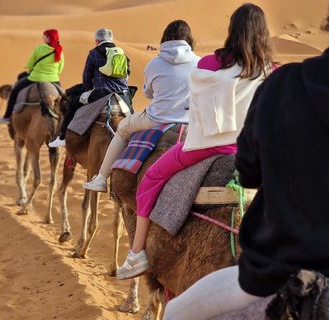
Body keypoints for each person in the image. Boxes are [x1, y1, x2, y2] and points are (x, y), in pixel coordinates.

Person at [162, 36, 329, 320]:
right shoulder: (269, 72)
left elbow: (249, 170)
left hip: (278, 268)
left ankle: (135, 245)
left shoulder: (284, 81)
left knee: (174, 313)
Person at [116, 3, 278, 281]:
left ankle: (137, 254)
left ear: (232, 31)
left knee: (150, 178)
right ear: (264, 34)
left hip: (207, 146)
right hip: (255, 151)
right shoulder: (272, 72)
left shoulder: (209, 64)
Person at [83, 20, 200, 193]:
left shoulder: (155, 63)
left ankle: (101, 178)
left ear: (165, 39)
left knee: (122, 128)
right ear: (189, 39)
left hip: (156, 119)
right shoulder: (199, 62)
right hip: (190, 122)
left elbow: (148, 93)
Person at [48, 28, 132, 148]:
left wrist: (87, 90)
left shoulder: (94, 53)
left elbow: (87, 77)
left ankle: (63, 138)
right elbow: (127, 75)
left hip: (101, 94)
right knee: (131, 116)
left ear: (97, 41)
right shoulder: (122, 54)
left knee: (72, 105)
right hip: (123, 95)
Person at [0, 29, 64, 124]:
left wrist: (32, 69)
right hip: (53, 79)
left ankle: (7, 117)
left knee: (14, 91)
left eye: (44, 36)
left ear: (49, 38)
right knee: (64, 98)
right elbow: (60, 69)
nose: (43, 38)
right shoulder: (60, 51)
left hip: (36, 78)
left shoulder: (39, 49)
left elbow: (30, 65)